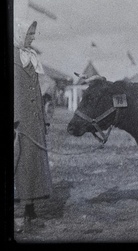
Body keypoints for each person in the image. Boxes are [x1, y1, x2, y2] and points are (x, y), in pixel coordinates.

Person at [14, 19, 52, 232]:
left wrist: (44, 119)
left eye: (34, 34)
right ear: (20, 35)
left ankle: (30, 213)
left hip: (33, 122)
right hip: (18, 123)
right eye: (30, 34)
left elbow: (40, 87)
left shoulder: (32, 57)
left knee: (31, 167)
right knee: (18, 166)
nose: (33, 37)